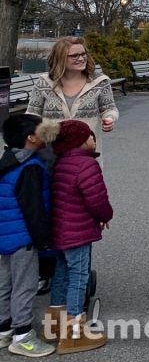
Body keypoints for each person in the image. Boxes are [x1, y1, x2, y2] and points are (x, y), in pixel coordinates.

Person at [44, 120, 112, 354]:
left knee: (61, 273)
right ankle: (74, 333)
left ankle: (53, 326)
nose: (94, 139)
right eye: (91, 136)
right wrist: (105, 216)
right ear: (81, 141)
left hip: (60, 229)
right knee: (79, 274)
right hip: (78, 230)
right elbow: (96, 198)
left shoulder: (61, 162)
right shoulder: (86, 164)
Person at [0, 114, 55, 357]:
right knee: (25, 285)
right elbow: (33, 208)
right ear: (31, 138)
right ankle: (23, 335)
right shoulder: (30, 168)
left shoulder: (8, 161)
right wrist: (43, 239)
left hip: (5, 236)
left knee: (5, 284)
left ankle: (3, 330)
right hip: (23, 238)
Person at [26, 37, 118, 168]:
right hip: (51, 154)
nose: (81, 59)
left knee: (88, 187)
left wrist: (110, 119)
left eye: (83, 54)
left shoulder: (100, 81)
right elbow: (32, 113)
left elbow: (109, 108)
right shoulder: (44, 82)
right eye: (74, 56)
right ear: (61, 58)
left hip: (86, 153)